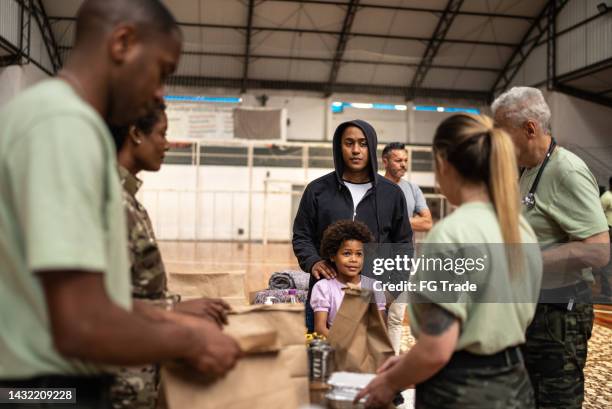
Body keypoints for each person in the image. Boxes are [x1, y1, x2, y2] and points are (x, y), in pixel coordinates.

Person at [0, 1, 239, 406]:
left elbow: (81, 299)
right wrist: (189, 339)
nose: (160, 91)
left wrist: (167, 316)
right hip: (46, 392)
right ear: (123, 42)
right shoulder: (65, 127)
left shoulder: (42, 115)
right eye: (162, 71)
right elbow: (82, 323)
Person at [356, 113, 543, 408]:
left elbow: (437, 349)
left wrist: (389, 383)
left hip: (462, 391)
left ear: (443, 162)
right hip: (515, 383)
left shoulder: (451, 234)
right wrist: (408, 362)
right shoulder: (520, 227)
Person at [492, 87, 610, 409]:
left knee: (556, 401)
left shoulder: (566, 170)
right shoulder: (529, 171)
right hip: (535, 309)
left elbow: (599, 250)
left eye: (503, 133)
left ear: (529, 129)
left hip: (560, 316)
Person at [110, 104, 232, 408]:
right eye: (162, 133)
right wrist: (177, 312)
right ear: (135, 134)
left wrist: (180, 306)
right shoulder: (107, 201)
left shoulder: (126, 200)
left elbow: (131, 290)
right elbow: (93, 301)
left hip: (135, 368)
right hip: (111, 379)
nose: (167, 143)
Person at [292, 120, 412, 332]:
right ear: (339, 146)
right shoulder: (317, 190)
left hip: (373, 298)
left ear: (372, 147)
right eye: (349, 143)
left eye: (363, 144)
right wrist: (313, 262)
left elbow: (402, 246)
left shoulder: (392, 194)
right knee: (323, 362)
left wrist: (393, 289)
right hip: (326, 303)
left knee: (371, 363)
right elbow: (302, 235)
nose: (356, 150)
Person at [382, 142, 433, 354]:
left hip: (402, 262)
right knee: (371, 314)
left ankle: (390, 362)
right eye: (398, 160)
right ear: (385, 161)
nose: (403, 165)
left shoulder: (412, 189)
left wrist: (397, 219)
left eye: (405, 160)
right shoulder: (374, 187)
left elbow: (427, 222)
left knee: (395, 317)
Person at [310, 220, 386, 337]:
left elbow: (379, 328)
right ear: (332, 255)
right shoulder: (323, 287)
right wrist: (346, 347)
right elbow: (320, 329)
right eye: (346, 253)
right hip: (336, 348)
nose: (354, 259)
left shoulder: (374, 286)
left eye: (359, 254)